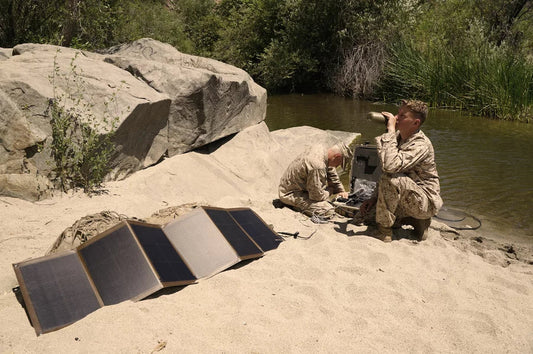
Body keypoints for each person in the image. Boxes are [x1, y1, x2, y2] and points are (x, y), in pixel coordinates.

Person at [357, 99, 443, 242]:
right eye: (398, 113)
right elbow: (384, 168)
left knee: (390, 177)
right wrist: (374, 198)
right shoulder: (398, 137)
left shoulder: (420, 144)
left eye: (402, 116)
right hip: (406, 195)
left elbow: (390, 167)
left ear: (415, 123)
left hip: (424, 202)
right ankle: (414, 221)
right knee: (363, 217)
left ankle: (384, 232)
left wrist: (390, 130)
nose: (396, 118)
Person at [279, 143, 353, 219]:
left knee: (326, 199)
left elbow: (331, 170)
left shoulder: (322, 149)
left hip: (289, 186)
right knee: (328, 210)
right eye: (340, 163)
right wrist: (331, 190)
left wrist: (340, 190)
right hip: (290, 194)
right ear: (337, 157)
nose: (338, 166)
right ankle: (295, 206)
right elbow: (316, 196)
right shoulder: (317, 166)